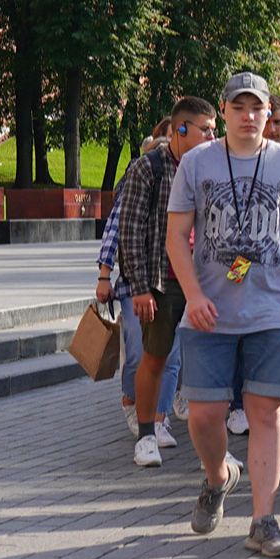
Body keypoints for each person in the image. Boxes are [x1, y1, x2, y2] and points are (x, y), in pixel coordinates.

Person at [168, 72, 280, 558]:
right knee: (205, 416)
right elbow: (176, 236)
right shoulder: (196, 163)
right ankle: (218, 477)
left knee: (265, 414)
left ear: (268, 113)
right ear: (225, 110)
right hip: (208, 311)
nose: (249, 117)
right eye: (239, 108)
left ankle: (263, 520)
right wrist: (192, 295)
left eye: (258, 108)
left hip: (272, 310)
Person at [116, 97, 218, 466]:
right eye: (206, 128)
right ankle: (146, 435)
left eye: (214, 128)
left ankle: (215, 446)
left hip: (204, 280)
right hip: (162, 281)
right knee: (155, 358)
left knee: (209, 359)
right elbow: (129, 230)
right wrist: (139, 288)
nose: (213, 135)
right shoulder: (149, 168)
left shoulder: (212, 169)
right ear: (181, 129)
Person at [98, 135, 184, 445]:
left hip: (173, 284)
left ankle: (158, 420)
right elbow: (117, 231)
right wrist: (104, 276)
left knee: (171, 358)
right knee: (137, 354)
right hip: (136, 286)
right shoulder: (139, 180)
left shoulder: (186, 181)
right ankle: (131, 400)